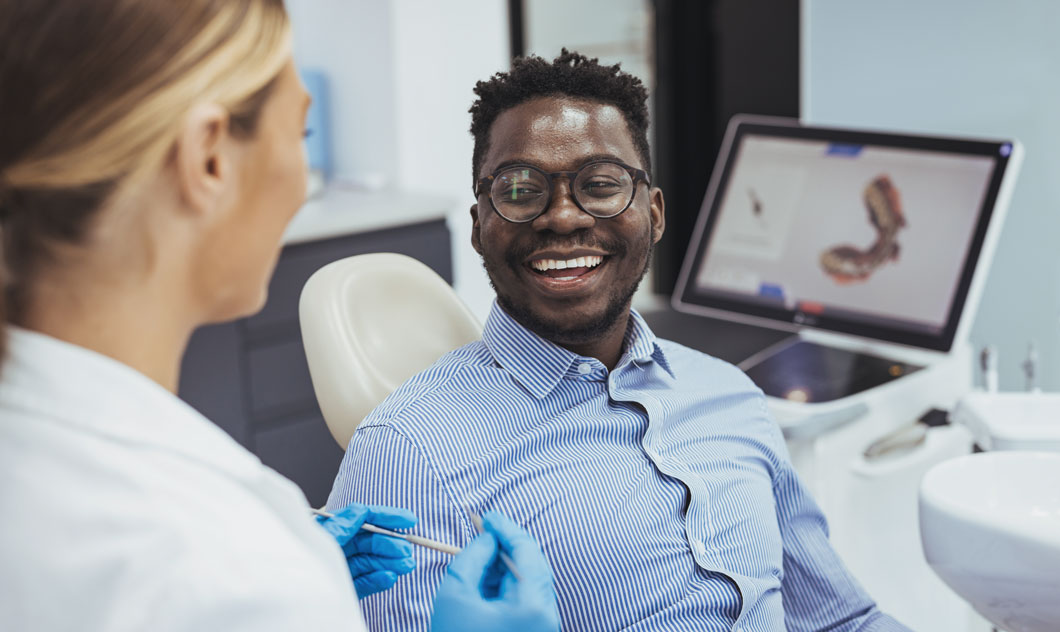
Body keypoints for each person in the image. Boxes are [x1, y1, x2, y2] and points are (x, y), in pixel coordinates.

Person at [0, 2, 558, 631]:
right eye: (301, 135)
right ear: (209, 158)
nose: (300, 180)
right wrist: (293, 590)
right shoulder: (231, 570)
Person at [328, 50, 911, 631]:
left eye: (601, 184)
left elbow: (842, 622)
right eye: (520, 189)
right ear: (481, 225)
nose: (562, 217)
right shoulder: (410, 452)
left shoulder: (730, 395)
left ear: (653, 214)